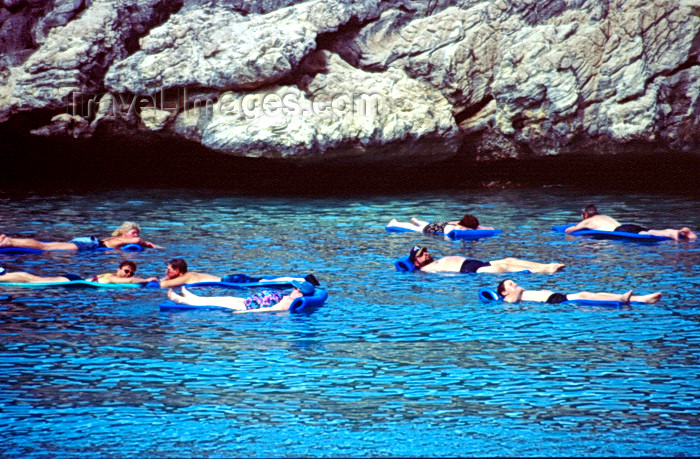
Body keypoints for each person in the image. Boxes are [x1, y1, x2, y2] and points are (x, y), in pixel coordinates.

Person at [166, 280, 317, 313]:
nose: (292, 288)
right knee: (220, 298)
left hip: (246, 306)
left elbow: (268, 310)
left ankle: (180, 300)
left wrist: (244, 313)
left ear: (300, 292)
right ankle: (192, 296)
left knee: (220, 303)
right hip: (246, 301)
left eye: (295, 288)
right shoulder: (289, 298)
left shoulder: (288, 304)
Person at [157, 258, 320, 288]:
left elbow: (163, 285)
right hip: (230, 278)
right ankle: (300, 278)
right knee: (262, 280)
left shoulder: (185, 277)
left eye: (169, 270)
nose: (166, 272)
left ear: (177, 271)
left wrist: (162, 278)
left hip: (231, 281)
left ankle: (300, 280)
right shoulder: (190, 274)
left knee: (263, 282)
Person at [0, 221, 164, 251]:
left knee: (49, 245)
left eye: (136, 233)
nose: (135, 236)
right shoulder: (124, 239)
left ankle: (11, 241)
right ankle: (9, 242)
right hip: (91, 245)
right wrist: (151, 245)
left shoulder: (114, 239)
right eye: (133, 232)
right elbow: (138, 241)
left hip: (89, 241)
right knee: (45, 247)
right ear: (123, 232)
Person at [565, 205, 697, 241]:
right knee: (649, 231)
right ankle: (675, 232)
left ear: (585, 215)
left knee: (647, 234)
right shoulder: (604, 216)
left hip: (620, 231)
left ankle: (675, 233)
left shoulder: (588, 220)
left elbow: (570, 230)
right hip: (626, 225)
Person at [408, 246, 565, 274]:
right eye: (422, 254)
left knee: (508, 259)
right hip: (469, 270)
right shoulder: (424, 270)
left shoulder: (434, 262)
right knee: (504, 266)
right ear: (416, 262)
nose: (426, 254)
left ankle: (546, 265)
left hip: (475, 262)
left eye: (426, 251)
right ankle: (544, 271)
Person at [496, 279, 663, 304]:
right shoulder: (507, 300)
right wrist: (521, 290)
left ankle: (640, 299)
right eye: (510, 284)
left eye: (514, 282)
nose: (515, 285)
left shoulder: (517, 292)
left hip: (555, 297)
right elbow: (513, 302)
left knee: (586, 293)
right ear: (503, 292)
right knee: (584, 295)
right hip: (553, 301)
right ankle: (623, 298)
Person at [0, 261, 155, 284]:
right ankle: (3, 276)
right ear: (118, 269)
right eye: (127, 271)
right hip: (72, 281)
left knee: (33, 278)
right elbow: (128, 282)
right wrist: (147, 280)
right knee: (34, 280)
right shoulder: (113, 279)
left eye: (131, 273)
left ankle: (4, 274)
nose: (128, 275)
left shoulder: (110, 274)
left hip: (76, 279)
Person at [388, 213, 495, 234]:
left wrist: (487, 227)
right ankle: (394, 223)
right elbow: (472, 229)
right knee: (413, 228)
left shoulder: (458, 222)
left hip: (439, 224)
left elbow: (476, 227)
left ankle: (417, 221)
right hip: (429, 230)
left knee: (426, 224)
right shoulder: (462, 229)